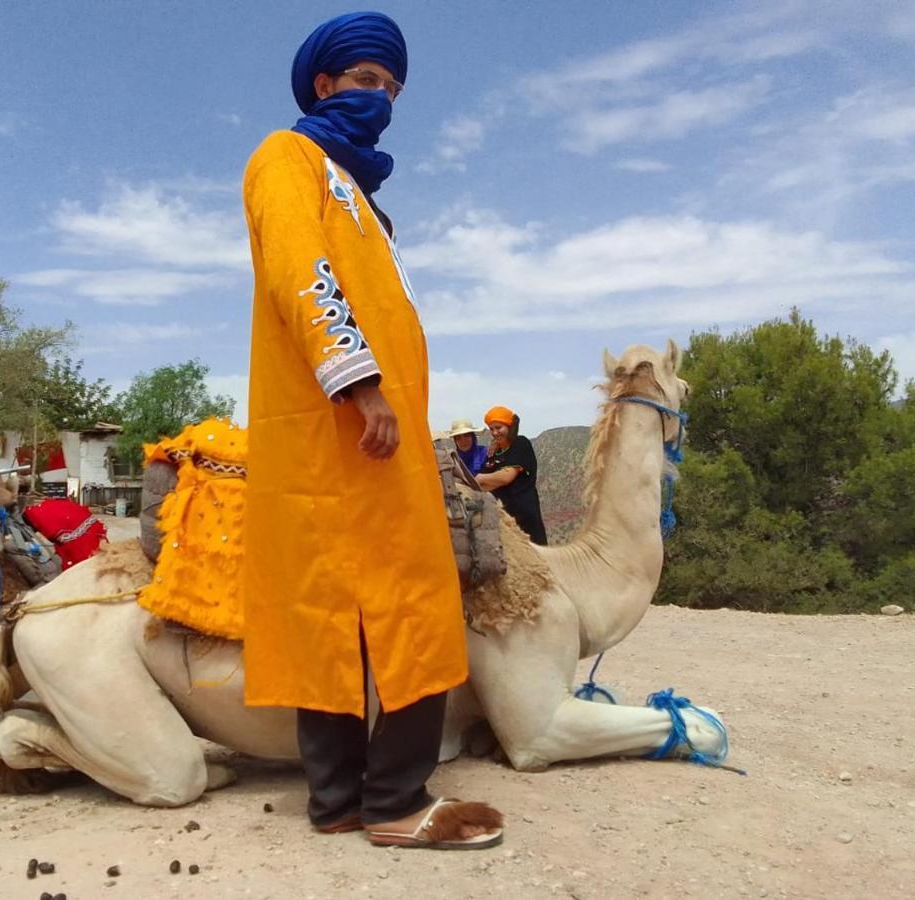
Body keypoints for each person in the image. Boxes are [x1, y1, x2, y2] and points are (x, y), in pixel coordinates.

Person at [240, 11, 503, 850]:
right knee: (406, 599)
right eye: (365, 82)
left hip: (371, 433)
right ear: (323, 85)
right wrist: (360, 384)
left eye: (391, 88)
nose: (381, 98)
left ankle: (340, 801)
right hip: (340, 422)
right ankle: (394, 802)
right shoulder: (290, 160)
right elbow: (298, 270)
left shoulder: (363, 199)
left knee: (340, 607)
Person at [476, 405, 548, 545]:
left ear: (509, 426)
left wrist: (481, 478)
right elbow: (487, 485)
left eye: (499, 428)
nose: (495, 433)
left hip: (524, 516)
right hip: (503, 520)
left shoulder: (520, 444)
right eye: (491, 429)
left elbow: (506, 477)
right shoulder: (494, 453)